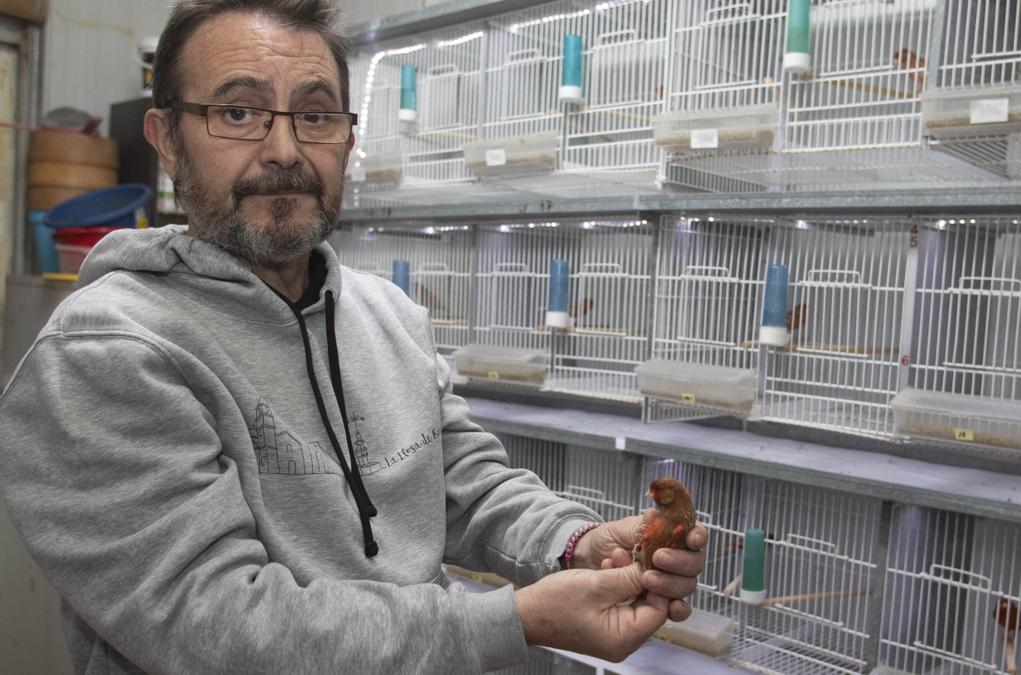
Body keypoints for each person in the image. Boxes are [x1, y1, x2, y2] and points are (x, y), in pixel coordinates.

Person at [0, 1, 707, 672]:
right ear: (167, 141)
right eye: (239, 111)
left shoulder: (389, 316)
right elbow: (215, 629)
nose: (284, 150)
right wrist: (513, 622)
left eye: (314, 115)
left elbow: (464, 484)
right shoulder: (105, 352)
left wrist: (575, 542)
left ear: (347, 136)